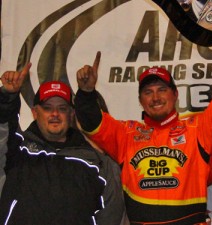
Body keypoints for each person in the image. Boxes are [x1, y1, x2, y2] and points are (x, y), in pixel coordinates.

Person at [74, 12, 212, 225]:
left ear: (175, 94)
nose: (155, 97)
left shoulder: (197, 128)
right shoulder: (126, 133)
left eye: (162, 89)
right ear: (140, 100)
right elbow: (92, 122)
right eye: (148, 92)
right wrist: (86, 92)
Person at [0, 65, 125, 225]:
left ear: (71, 114)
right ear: (34, 112)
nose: (55, 114)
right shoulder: (16, 151)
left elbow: (111, 218)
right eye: (47, 108)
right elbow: (3, 128)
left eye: (62, 108)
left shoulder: (98, 163)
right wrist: (7, 98)